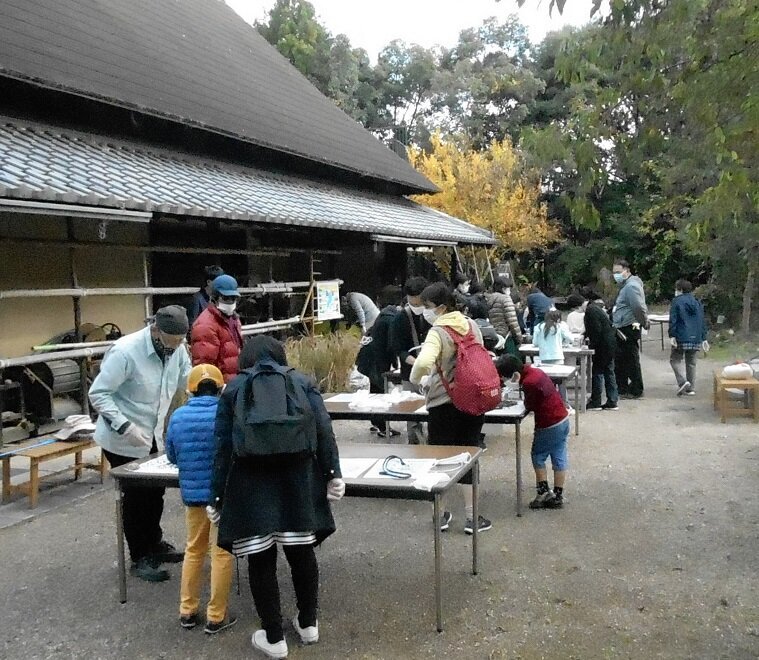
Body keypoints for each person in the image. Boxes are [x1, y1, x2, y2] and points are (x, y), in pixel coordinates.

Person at [209, 336, 344, 658]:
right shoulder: (301, 381)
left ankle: (273, 638)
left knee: (261, 560)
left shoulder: (233, 388)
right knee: (301, 552)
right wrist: (333, 473)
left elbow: (222, 447)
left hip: (249, 484)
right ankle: (308, 624)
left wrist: (216, 496)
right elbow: (323, 428)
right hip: (299, 480)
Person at [89, 305, 191, 582]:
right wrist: (125, 425)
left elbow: (187, 380)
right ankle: (139, 556)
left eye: (179, 342)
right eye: (170, 342)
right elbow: (98, 394)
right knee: (135, 497)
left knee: (155, 491)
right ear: (155, 330)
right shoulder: (126, 351)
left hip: (154, 433)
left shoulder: (178, 349)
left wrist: (208, 394)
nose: (174, 348)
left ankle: (155, 543)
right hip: (122, 436)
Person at [409, 282, 492, 535]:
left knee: (440, 460)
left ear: (442, 307)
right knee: (468, 457)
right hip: (472, 400)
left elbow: (423, 361)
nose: (424, 311)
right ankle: (471, 518)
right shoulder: (471, 325)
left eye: (428, 307)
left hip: (443, 403)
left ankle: (441, 515)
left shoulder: (438, 331)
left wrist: (417, 379)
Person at [165, 364, 235, 634]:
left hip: (193, 497)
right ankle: (216, 616)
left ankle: (187, 610)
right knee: (221, 553)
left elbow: (172, 455)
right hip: (220, 497)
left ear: (191, 390)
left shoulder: (179, 417)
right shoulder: (224, 412)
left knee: (193, 550)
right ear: (220, 388)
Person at [496, 355, 570, 509]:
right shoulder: (536, 372)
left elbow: (529, 404)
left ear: (515, 374)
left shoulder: (529, 382)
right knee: (559, 455)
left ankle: (542, 492)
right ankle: (557, 494)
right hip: (562, 419)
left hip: (548, 423)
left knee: (538, 456)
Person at [355, 285, 402, 437]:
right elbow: (392, 343)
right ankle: (383, 427)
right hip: (376, 359)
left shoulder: (385, 314)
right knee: (381, 393)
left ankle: (376, 423)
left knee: (375, 391)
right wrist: (396, 365)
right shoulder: (391, 318)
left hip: (369, 356)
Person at [389, 276, 431, 445]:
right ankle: (415, 448)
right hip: (410, 374)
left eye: (419, 303)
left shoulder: (433, 315)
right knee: (412, 416)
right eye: (412, 303)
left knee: (434, 413)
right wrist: (413, 361)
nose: (416, 307)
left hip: (433, 373)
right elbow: (397, 348)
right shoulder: (400, 318)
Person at [191, 274, 243, 383]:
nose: (230, 302)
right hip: (219, 389)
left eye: (233, 298)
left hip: (233, 385)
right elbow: (204, 367)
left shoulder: (233, 319)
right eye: (225, 298)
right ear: (214, 297)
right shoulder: (205, 325)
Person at [611, 259, 648, 399]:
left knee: (630, 358)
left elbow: (638, 307)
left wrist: (644, 322)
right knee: (622, 359)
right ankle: (624, 388)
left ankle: (636, 389)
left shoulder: (631, 286)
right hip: (623, 325)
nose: (616, 275)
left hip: (628, 327)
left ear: (627, 271)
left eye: (619, 272)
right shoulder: (626, 286)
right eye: (614, 272)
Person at [577, 290, 618, 411]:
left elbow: (596, 330)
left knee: (598, 372)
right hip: (609, 343)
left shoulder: (590, 311)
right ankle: (612, 400)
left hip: (602, 346)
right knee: (609, 371)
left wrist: (590, 346)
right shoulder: (595, 309)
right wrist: (584, 335)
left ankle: (596, 401)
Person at [668, 279, 708, 396]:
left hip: (681, 335)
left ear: (679, 289)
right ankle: (691, 388)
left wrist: (672, 335)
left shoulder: (677, 301)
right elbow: (701, 320)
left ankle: (683, 381)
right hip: (695, 337)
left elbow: (673, 320)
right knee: (691, 363)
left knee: (674, 360)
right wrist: (703, 337)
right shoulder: (697, 302)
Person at [532, 309, 573, 407]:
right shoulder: (559, 327)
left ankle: (548, 402)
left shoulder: (538, 327)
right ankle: (565, 403)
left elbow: (535, 342)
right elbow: (570, 338)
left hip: (544, 358)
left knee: (547, 382)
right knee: (561, 382)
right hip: (557, 357)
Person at [485, 276, 523, 357]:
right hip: (506, 337)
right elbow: (512, 322)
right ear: (503, 288)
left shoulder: (489, 299)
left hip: (493, 336)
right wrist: (519, 339)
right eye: (508, 288)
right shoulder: (506, 299)